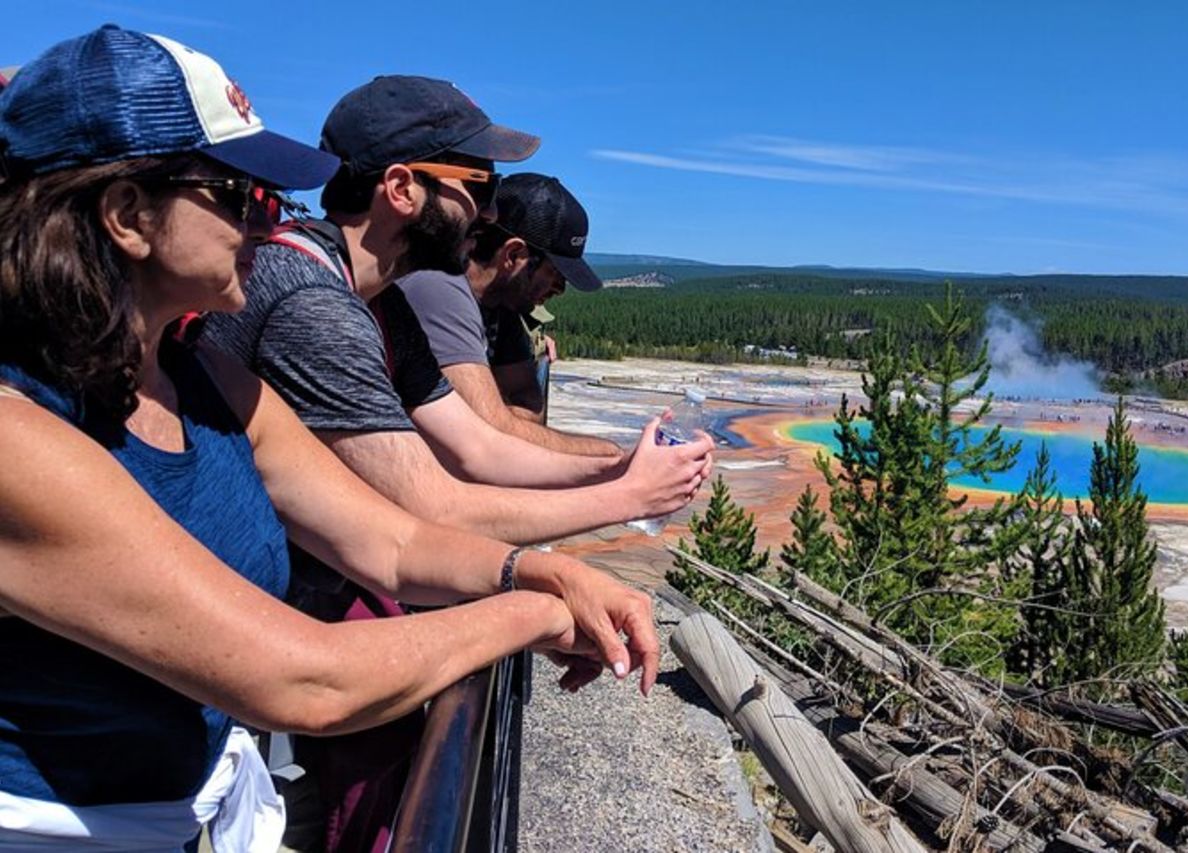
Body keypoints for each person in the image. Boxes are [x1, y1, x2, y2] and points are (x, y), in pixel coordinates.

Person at [0, 27, 652, 851]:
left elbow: (393, 539)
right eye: (240, 195)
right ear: (128, 216)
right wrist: (529, 615)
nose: (266, 222)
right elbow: (302, 677)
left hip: (189, 806)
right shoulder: (19, 434)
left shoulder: (199, 372)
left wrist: (540, 568)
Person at [200, 75, 708, 851]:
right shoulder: (313, 301)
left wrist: (617, 475)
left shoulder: (379, 299)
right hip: (225, 656)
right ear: (401, 189)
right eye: (478, 184)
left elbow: (480, 445)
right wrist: (620, 500)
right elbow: (427, 507)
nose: (489, 210)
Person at [399, 173, 620, 454]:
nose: (560, 288)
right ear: (513, 255)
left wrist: (506, 422)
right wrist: (613, 455)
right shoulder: (437, 287)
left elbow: (528, 401)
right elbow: (486, 435)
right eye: (555, 272)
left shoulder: (501, 309)